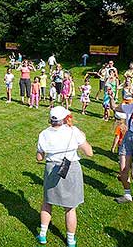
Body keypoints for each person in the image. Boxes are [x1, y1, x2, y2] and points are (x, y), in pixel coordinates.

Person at [36, 106, 93, 247]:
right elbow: (89, 152)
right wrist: (83, 137)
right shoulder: (74, 131)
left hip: (51, 168)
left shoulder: (43, 133)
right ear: (64, 118)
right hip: (71, 168)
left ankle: (42, 235)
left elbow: (39, 157)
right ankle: (71, 240)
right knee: (70, 207)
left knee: (47, 202)